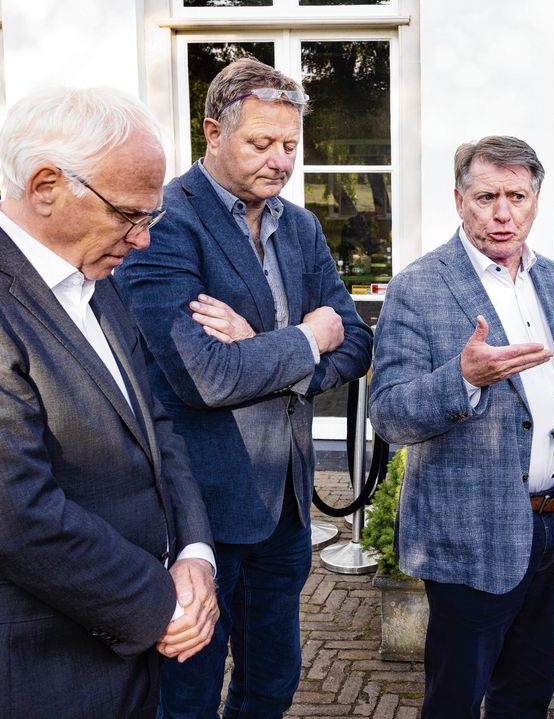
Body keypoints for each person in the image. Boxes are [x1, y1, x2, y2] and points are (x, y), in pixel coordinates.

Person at [0, 87, 217, 719]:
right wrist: (163, 605)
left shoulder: (95, 280)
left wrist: (195, 555)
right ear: (45, 186)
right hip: (34, 674)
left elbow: (158, 427)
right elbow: (13, 517)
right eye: (129, 214)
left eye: (152, 217)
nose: (143, 240)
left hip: (128, 654)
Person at [116, 58, 372, 718]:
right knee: (188, 694)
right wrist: (307, 337)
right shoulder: (165, 223)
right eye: (261, 143)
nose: (281, 160)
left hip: (284, 508)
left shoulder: (301, 225)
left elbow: (359, 340)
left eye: (290, 144)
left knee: (270, 684)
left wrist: (263, 340)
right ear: (213, 132)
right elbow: (202, 376)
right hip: (198, 510)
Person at [368, 136, 554, 719]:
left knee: (528, 693)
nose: (503, 213)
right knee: (456, 697)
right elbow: (389, 414)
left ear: (536, 200)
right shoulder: (419, 286)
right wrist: (463, 377)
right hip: (468, 532)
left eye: (517, 195)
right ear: (460, 201)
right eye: (486, 197)